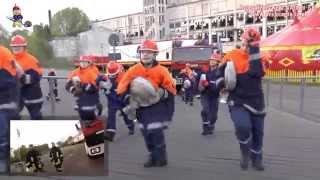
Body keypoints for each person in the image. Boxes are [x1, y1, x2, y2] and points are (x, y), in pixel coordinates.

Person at [117, 40, 176, 168]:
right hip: (141, 108)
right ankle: (152, 154)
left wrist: (162, 93)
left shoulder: (162, 71)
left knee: (155, 131)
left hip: (156, 107)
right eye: (143, 52)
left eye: (149, 52)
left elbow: (171, 90)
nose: (146, 55)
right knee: (146, 133)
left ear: (155, 55)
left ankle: (161, 157)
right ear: (140, 54)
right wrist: (129, 99)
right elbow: (122, 88)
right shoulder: (133, 70)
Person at [222, 28, 266, 171]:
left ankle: (256, 158)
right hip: (238, 100)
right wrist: (221, 82)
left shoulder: (260, 57)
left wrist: (254, 50)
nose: (246, 45)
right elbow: (219, 74)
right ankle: (244, 150)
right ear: (241, 41)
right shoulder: (231, 55)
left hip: (256, 101)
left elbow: (257, 72)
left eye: (250, 43)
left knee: (258, 132)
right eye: (245, 42)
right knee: (243, 126)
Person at [96, 61, 135, 141]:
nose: (112, 76)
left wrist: (128, 98)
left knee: (126, 115)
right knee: (111, 116)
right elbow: (98, 81)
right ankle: (110, 134)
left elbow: (131, 90)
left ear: (119, 71)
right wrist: (101, 83)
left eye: (114, 75)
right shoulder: (107, 77)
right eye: (110, 75)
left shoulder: (125, 79)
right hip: (112, 101)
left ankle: (131, 126)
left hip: (122, 100)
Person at [10, 35, 44, 120]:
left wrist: (24, 78)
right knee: (12, 116)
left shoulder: (31, 60)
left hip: (32, 94)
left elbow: (38, 75)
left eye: (18, 46)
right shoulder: (9, 59)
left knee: (36, 117)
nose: (16, 48)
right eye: (14, 47)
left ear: (24, 47)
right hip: (17, 93)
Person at [0, 44, 20, 173]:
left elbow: (10, 80)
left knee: (3, 134)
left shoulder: (4, 53)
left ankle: (3, 160)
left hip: (5, 103)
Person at [65, 55, 100, 125]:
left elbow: (96, 86)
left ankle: (93, 119)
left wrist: (84, 86)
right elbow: (68, 83)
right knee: (82, 111)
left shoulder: (92, 71)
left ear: (88, 63)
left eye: (85, 62)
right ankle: (85, 122)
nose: (83, 64)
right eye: (81, 62)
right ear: (79, 63)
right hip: (81, 94)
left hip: (91, 93)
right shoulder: (75, 72)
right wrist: (73, 90)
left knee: (89, 111)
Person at [198, 53, 224, 135]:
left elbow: (218, 87)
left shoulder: (220, 73)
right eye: (211, 60)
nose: (211, 61)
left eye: (214, 60)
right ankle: (205, 128)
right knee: (205, 110)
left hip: (214, 96)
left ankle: (211, 125)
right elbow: (197, 80)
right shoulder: (205, 70)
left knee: (213, 115)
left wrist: (208, 84)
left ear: (217, 62)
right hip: (205, 94)